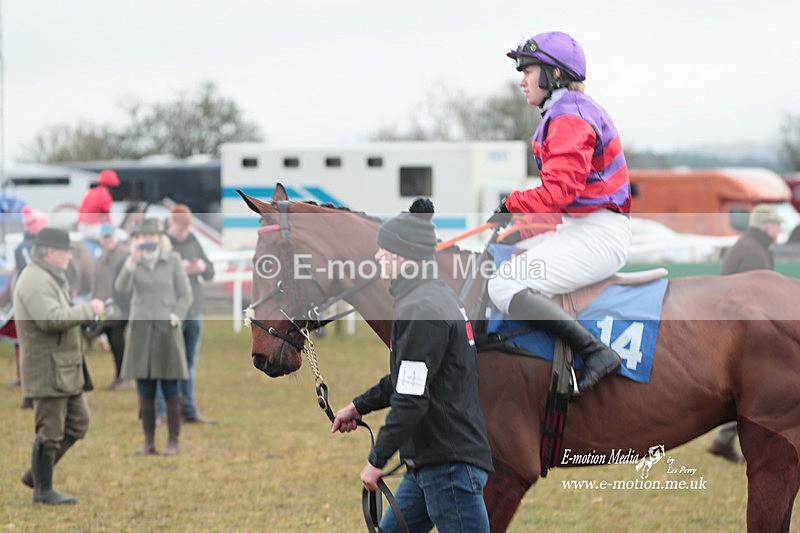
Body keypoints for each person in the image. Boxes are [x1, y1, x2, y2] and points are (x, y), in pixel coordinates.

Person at [331, 199, 493, 533]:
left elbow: (410, 398)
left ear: (402, 256)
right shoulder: (432, 297)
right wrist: (360, 405)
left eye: (383, 251)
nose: (378, 257)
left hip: (448, 467)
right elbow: (410, 377)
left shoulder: (421, 309)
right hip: (430, 462)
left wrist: (376, 462)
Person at [486, 31, 632, 395]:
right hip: (584, 227)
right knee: (505, 252)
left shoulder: (570, 116)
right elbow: (569, 200)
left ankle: (595, 353)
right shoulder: (565, 112)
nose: (521, 81)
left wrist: (511, 204)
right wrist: (519, 224)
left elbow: (559, 192)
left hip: (597, 236)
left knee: (503, 283)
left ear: (553, 74)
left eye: (527, 71)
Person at [13, 227, 105, 504]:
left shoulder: (48, 276)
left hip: (64, 367)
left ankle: (37, 474)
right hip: (48, 368)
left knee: (78, 423)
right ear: (50, 252)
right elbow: (50, 319)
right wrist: (89, 310)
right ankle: (43, 490)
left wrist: (86, 316)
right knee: (50, 432)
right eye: (66, 251)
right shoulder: (34, 280)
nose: (69, 256)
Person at [707, 204, 783, 464]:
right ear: (768, 227)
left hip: (736, 329)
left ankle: (724, 439)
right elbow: (759, 297)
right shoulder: (754, 252)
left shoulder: (748, 246)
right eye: (778, 225)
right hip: (747, 332)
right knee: (760, 389)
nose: (781, 230)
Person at [115, 217, 193, 455]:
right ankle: (148, 441)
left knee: (170, 387)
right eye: (142, 237)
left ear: (159, 238)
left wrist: (176, 316)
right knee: (145, 390)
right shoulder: (132, 262)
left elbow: (185, 294)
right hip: (140, 332)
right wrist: (131, 261)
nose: (147, 240)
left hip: (166, 331)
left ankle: (173, 441)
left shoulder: (173, 261)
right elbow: (121, 289)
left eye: (151, 236)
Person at [155, 205, 216, 425]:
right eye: (181, 229)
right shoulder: (162, 243)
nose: (184, 233)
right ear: (171, 223)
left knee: (189, 364)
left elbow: (210, 270)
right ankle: (162, 412)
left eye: (186, 229)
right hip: (171, 311)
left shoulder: (193, 240)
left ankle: (188, 410)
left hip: (194, 310)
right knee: (167, 362)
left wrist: (201, 267)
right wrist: (176, 269)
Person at [8, 206, 51, 407]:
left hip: (29, 305)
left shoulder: (27, 247)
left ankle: (32, 394)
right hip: (31, 306)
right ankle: (30, 395)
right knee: (32, 350)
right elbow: (30, 276)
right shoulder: (26, 249)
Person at [90, 222, 130, 389]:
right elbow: (95, 283)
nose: (107, 240)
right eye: (105, 237)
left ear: (116, 237)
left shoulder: (125, 255)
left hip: (121, 308)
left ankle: (125, 377)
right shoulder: (101, 258)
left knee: (117, 340)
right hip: (105, 308)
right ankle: (121, 376)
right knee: (113, 342)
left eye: (110, 237)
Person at [77, 169, 119, 241]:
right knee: (122, 236)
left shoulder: (90, 191)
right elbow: (106, 218)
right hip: (93, 228)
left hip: (81, 227)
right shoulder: (105, 194)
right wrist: (114, 226)